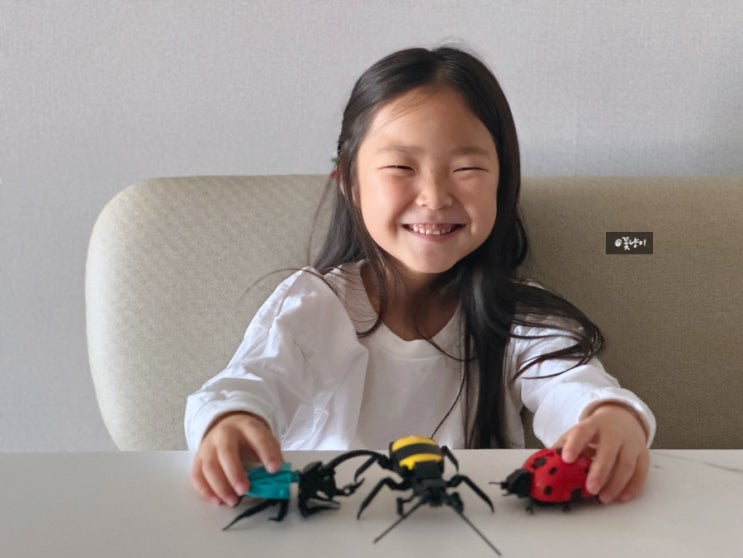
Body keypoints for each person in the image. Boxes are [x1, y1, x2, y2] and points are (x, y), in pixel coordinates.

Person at [185, 46, 655, 510]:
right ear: (348, 181)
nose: (434, 197)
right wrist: (233, 419)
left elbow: (571, 385)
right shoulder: (317, 303)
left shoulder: (518, 316)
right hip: (331, 528)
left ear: (502, 182)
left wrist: (608, 415)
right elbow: (252, 381)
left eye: (466, 169)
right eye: (400, 167)